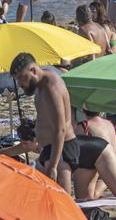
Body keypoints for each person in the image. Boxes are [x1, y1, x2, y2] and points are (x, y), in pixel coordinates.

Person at [9, 53, 76, 192]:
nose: (20, 84)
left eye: (22, 78)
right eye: (17, 80)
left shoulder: (51, 86)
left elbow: (61, 129)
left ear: (33, 70)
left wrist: (53, 165)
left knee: (62, 203)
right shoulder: (40, 86)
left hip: (60, 151)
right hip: (49, 151)